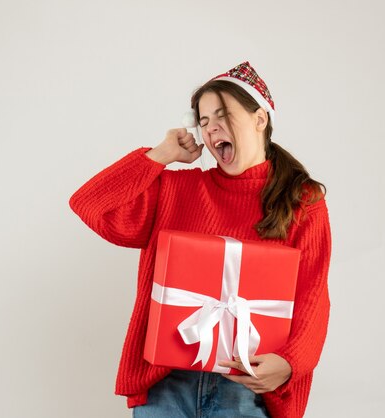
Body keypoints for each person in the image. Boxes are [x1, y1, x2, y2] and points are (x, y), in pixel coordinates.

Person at [69, 61, 332, 418]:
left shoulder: (302, 200)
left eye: (223, 115)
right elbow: (90, 205)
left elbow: (313, 293)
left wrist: (290, 364)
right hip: (166, 387)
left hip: (245, 389)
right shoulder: (177, 190)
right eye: (204, 121)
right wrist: (160, 155)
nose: (211, 128)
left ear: (259, 119)